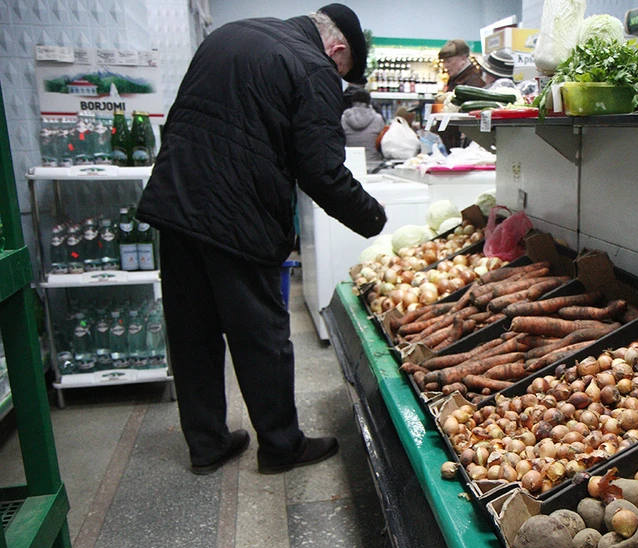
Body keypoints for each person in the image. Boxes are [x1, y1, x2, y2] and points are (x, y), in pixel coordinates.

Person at [137, 4, 386, 475]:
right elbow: (321, 170)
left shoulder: (228, 35)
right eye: (342, 70)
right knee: (261, 336)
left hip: (176, 201)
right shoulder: (313, 66)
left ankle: (207, 445)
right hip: (238, 216)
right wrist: (373, 218)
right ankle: (280, 446)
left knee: (193, 333)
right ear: (336, 50)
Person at [437, 38, 484, 151]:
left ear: (463, 59)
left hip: (462, 147)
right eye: (444, 61)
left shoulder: (474, 82)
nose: (445, 66)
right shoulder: (456, 79)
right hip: (453, 145)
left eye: (449, 61)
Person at [341, 88, 385, 169]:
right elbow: (382, 142)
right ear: (369, 101)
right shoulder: (378, 118)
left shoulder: (344, 118)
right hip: (373, 163)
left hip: (351, 163)